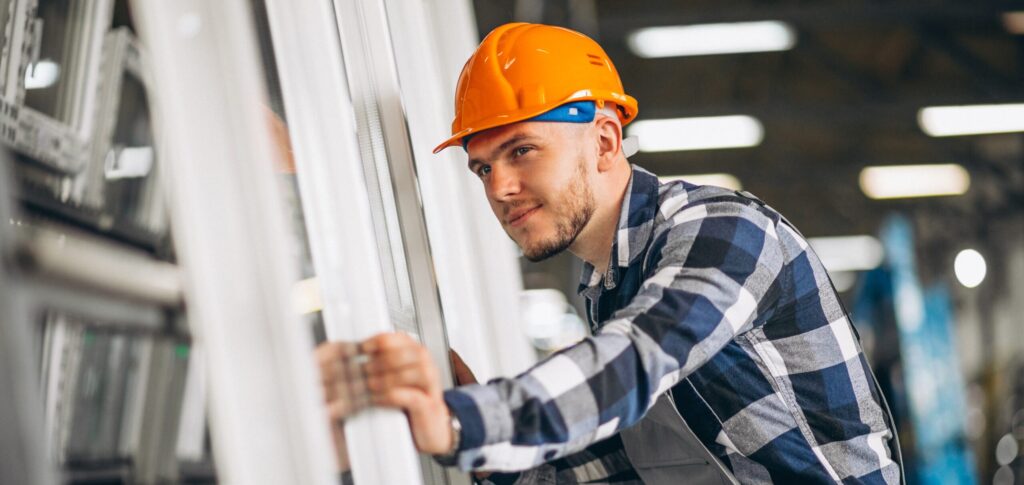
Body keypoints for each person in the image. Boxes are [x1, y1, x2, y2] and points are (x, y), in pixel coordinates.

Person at [317, 22, 902, 484]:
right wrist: (483, 448)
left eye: (522, 150)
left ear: (604, 140)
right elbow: (631, 467)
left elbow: (636, 359)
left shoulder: (723, 233)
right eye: (483, 167)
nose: (498, 188)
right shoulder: (612, 288)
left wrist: (460, 422)